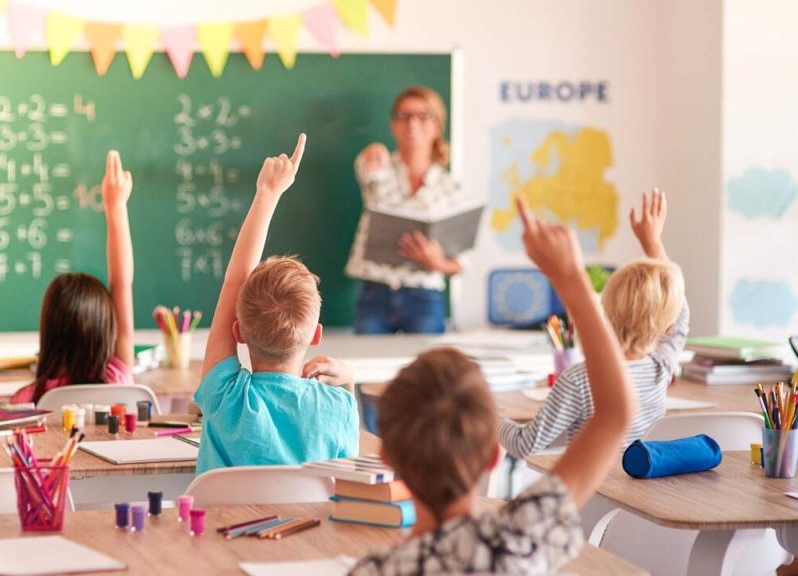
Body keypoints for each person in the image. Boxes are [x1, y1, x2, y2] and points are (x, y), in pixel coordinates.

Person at [349, 196, 638, 575]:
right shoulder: (522, 539)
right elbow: (616, 413)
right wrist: (572, 279)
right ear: (492, 455)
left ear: (386, 458)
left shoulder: (375, 571)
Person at [194, 134, 360, 475]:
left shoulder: (226, 399)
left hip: (219, 529)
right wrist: (348, 383)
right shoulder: (337, 407)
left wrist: (266, 194)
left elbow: (233, 282)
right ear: (316, 335)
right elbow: (347, 479)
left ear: (237, 331)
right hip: (308, 530)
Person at [500, 189, 688, 458]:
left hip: (591, 494)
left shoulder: (579, 379)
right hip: (639, 494)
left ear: (605, 311)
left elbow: (523, 445)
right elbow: (680, 316)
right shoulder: (661, 368)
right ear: (667, 328)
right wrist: (652, 242)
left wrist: (489, 414)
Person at [13, 151, 135, 404]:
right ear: (107, 330)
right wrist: (116, 208)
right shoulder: (117, 379)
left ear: (49, 331)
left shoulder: (28, 400)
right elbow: (121, 283)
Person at [345, 86, 463, 334]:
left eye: (423, 116)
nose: (412, 124)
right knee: (368, 368)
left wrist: (437, 261)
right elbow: (363, 167)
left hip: (424, 296)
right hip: (374, 290)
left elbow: (460, 264)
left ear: (437, 126)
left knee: (428, 371)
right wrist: (373, 152)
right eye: (404, 116)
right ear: (393, 125)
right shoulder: (378, 167)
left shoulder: (450, 187)